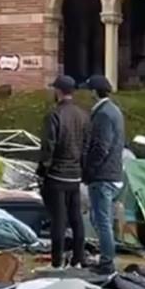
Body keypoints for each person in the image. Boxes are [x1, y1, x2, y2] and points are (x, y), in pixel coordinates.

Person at [38, 75, 88, 269]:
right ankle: (79, 257)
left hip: (57, 174)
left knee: (58, 219)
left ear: (58, 91)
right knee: (76, 218)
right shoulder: (83, 115)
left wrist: (43, 168)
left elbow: (49, 145)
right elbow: (86, 145)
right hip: (75, 174)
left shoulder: (55, 115)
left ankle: (57, 261)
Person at [83, 75, 125, 274]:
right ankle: (105, 257)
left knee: (102, 220)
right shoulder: (114, 111)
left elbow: (101, 147)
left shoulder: (103, 114)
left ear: (94, 91)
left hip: (103, 175)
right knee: (99, 218)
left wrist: (89, 170)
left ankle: (107, 263)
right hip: (113, 173)